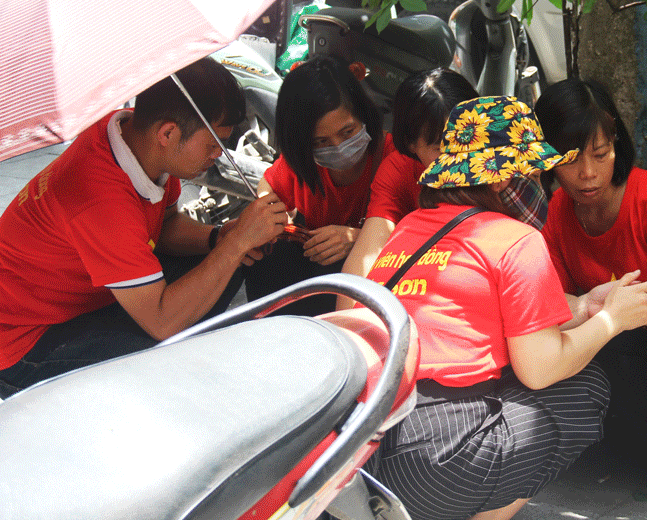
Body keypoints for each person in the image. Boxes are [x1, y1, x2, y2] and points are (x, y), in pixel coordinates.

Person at [365, 95, 647, 520]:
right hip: (440, 465)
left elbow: (486, 309)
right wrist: (612, 320)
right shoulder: (513, 238)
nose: (537, 184)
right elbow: (541, 368)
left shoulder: (408, 230)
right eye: (530, 172)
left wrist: (584, 306)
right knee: (584, 389)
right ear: (499, 180)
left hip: (372, 453)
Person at [0, 58, 288, 398]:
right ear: (167, 133)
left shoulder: (133, 139)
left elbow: (162, 225)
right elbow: (162, 322)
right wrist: (235, 242)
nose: (217, 156)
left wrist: (217, 238)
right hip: (25, 343)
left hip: (90, 294)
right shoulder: (100, 199)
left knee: (232, 261)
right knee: (171, 351)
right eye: (212, 145)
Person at [534, 79, 647, 517]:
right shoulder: (558, 213)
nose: (588, 174)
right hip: (612, 361)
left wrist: (619, 314)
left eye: (600, 154)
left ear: (617, 140)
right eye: (571, 159)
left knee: (612, 336)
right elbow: (551, 304)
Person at [342, 67, 548, 280]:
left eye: (469, 140)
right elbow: (365, 259)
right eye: (442, 148)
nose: (462, 159)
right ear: (411, 144)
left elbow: (533, 260)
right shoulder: (398, 172)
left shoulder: (506, 163)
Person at [245, 55, 391, 312]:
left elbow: (421, 233)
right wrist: (276, 217)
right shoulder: (302, 164)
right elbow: (268, 186)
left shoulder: (393, 159)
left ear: (364, 114)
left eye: (347, 132)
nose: (338, 147)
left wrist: (358, 239)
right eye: (320, 142)